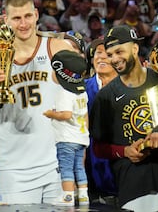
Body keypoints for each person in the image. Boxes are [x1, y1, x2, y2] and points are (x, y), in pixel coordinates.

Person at [0, 0, 73, 204]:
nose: (23, 24)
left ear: (36, 15)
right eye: (16, 18)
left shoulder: (58, 49)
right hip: (12, 170)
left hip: (56, 168)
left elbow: (78, 109)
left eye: (27, 16)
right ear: (6, 20)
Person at [89, 24, 158, 212]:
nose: (114, 59)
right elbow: (98, 148)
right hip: (135, 185)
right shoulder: (105, 96)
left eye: (119, 51)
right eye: (110, 55)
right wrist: (125, 151)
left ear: (134, 48)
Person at [43, 50, 89, 206]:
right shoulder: (82, 93)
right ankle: (83, 195)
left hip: (67, 138)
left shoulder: (64, 93)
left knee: (66, 167)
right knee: (79, 167)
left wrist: (51, 114)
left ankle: (67, 197)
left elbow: (66, 115)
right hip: (81, 137)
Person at [85, 39, 117, 201]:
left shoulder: (131, 87)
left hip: (121, 167)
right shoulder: (81, 89)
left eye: (108, 54)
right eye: (99, 52)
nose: (102, 57)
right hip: (89, 169)